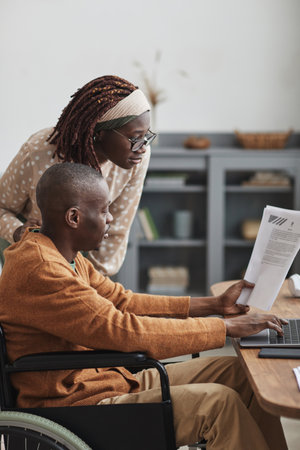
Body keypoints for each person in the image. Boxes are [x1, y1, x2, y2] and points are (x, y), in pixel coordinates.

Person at [0, 163, 288, 450]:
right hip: (79, 405)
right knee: (218, 404)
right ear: (74, 217)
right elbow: (123, 331)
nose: (111, 218)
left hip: (111, 380)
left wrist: (214, 305)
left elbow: (124, 301)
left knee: (242, 376)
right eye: (103, 210)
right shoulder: (43, 269)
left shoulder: (63, 254)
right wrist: (223, 328)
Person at [0, 75, 154, 275]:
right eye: (135, 138)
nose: (142, 147)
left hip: (86, 252)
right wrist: (20, 233)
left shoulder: (137, 158)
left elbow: (117, 229)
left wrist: (96, 282)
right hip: (27, 246)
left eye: (146, 136)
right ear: (100, 133)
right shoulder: (39, 152)